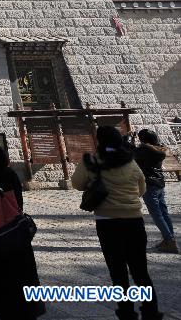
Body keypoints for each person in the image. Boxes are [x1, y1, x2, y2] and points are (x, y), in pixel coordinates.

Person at [72, 126, 164, 320]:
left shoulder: (93, 161)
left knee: (118, 272)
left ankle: (126, 312)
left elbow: (77, 183)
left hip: (108, 223)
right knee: (140, 271)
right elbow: (141, 189)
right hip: (134, 221)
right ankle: (151, 311)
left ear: (100, 141)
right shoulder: (131, 162)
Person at [0, 138, 45, 320]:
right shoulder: (10, 173)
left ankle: (6, 313)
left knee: (0, 280)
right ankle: (29, 311)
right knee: (24, 275)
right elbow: (18, 202)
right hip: (16, 231)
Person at [134, 128, 178, 253]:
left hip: (149, 184)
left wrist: (129, 140)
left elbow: (132, 153)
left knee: (157, 214)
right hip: (159, 183)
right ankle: (169, 238)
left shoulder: (144, 150)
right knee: (163, 213)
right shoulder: (160, 149)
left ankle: (170, 241)